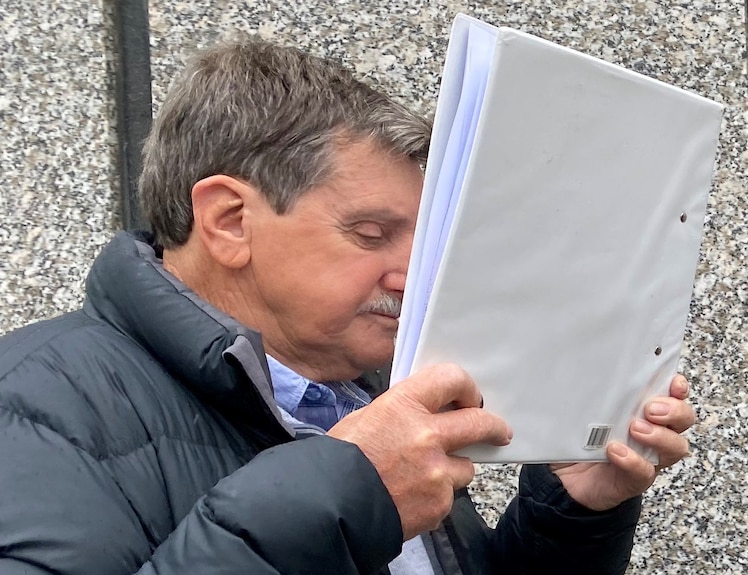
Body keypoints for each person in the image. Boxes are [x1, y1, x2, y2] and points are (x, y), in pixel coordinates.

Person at [0, 37, 695, 575]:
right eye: (371, 232)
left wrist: (572, 508)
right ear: (229, 221)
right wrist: (344, 495)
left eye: (423, 241)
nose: (413, 272)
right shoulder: (33, 405)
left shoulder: (364, 398)